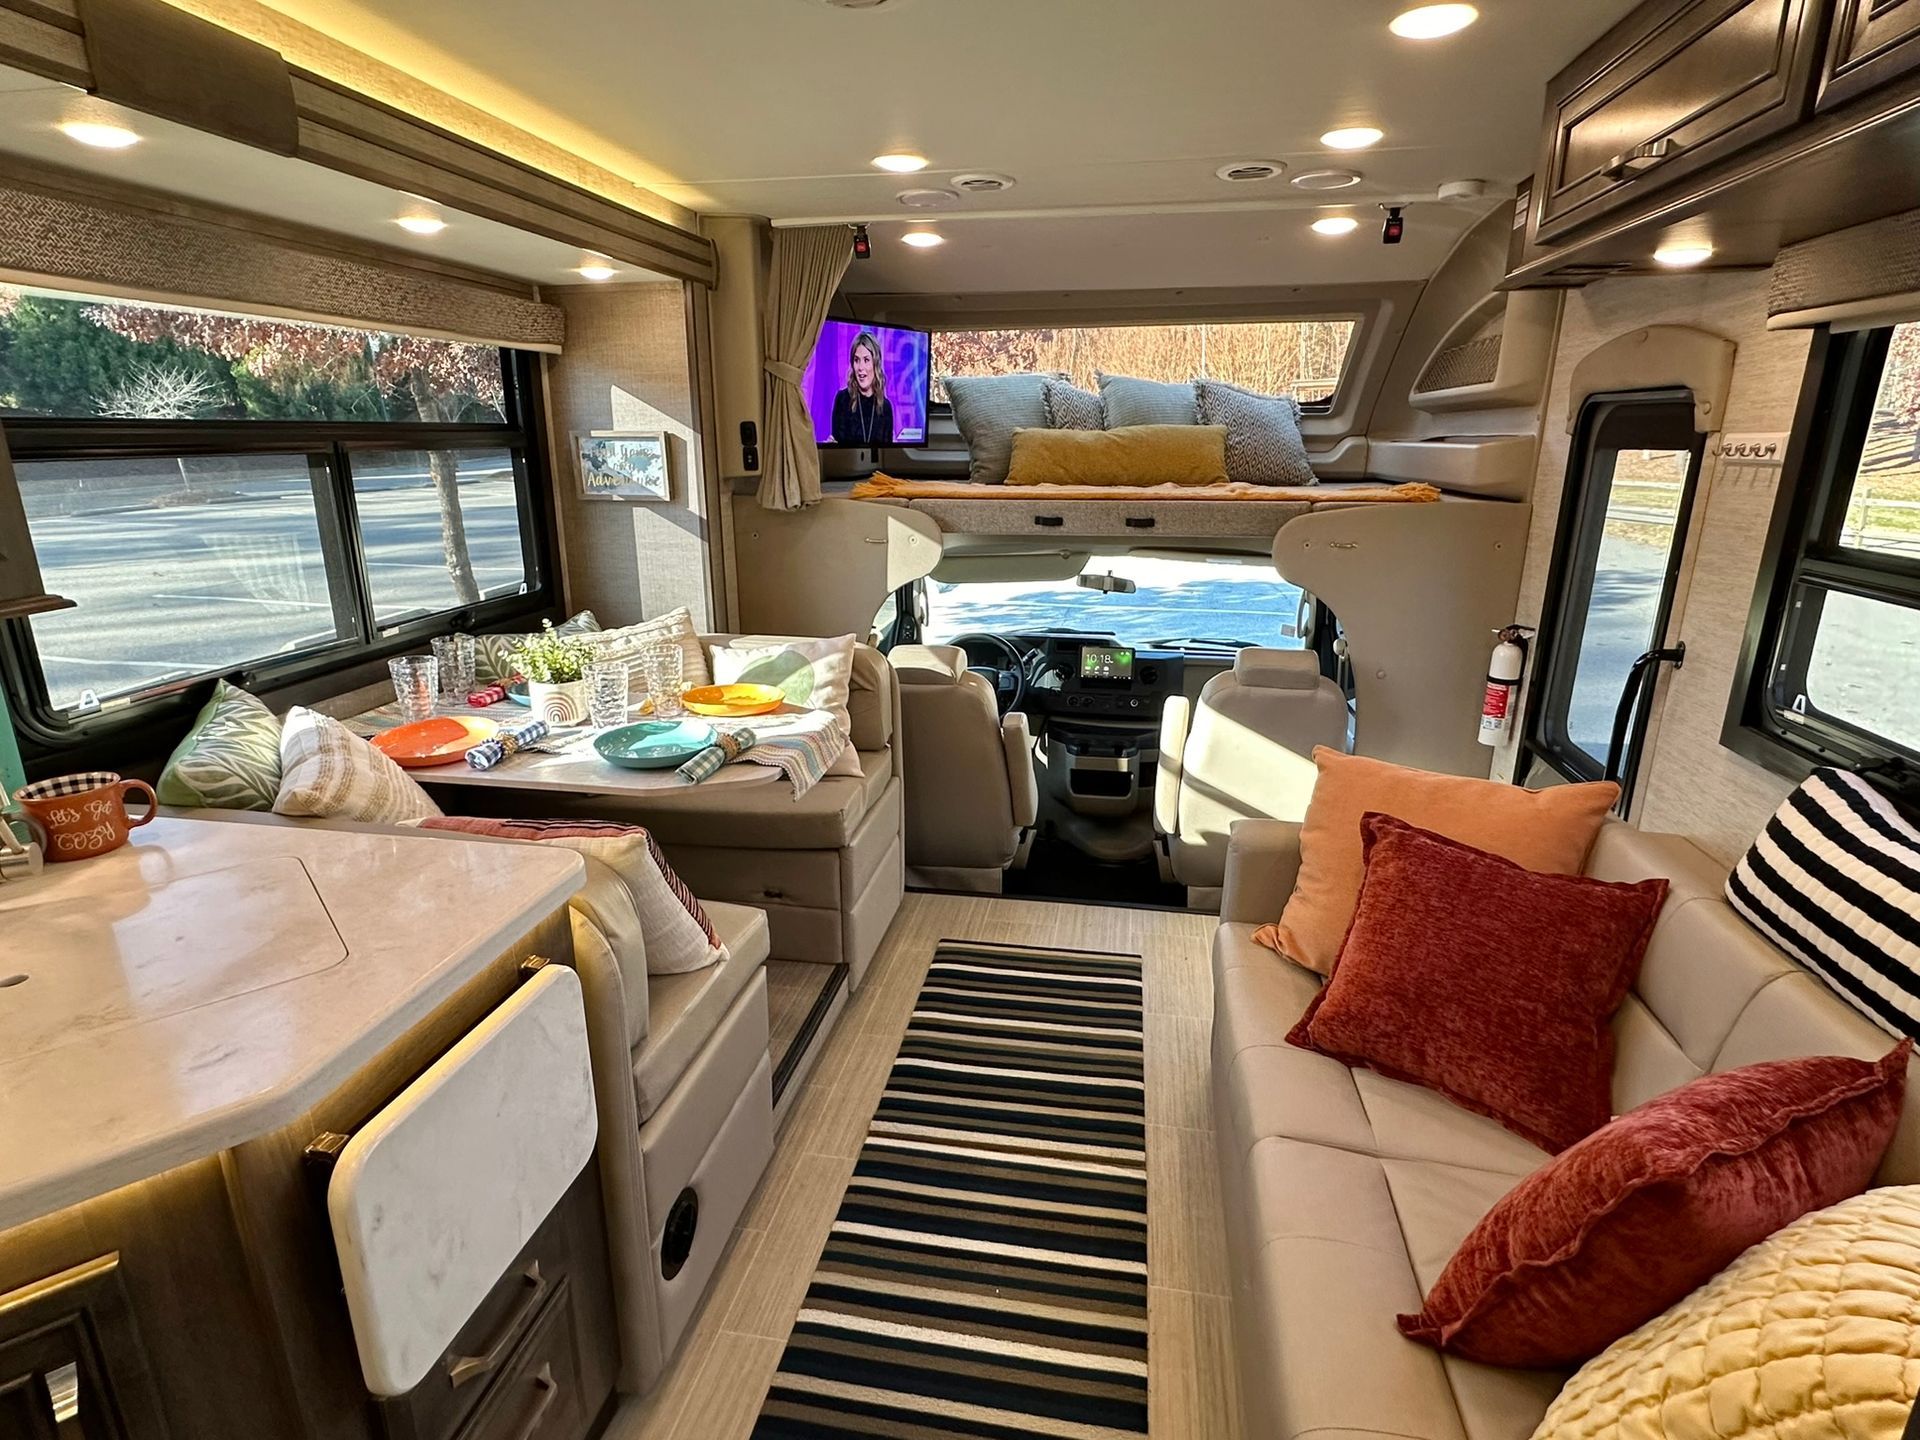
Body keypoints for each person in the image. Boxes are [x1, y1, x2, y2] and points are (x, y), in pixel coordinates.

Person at [830, 331, 894, 445]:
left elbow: (887, 451)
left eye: (866, 360)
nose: (860, 367)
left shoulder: (885, 407)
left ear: (876, 364)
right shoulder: (842, 399)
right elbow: (838, 448)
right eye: (856, 360)